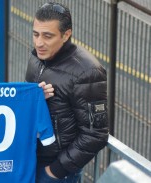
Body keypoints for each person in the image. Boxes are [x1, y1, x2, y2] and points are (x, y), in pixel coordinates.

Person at [25, 2, 109, 183]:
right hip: (30, 160)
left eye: (47, 36)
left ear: (66, 35)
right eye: (36, 34)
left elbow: (96, 134)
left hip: (56, 171)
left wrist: (55, 171)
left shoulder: (88, 72)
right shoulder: (37, 57)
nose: (39, 42)